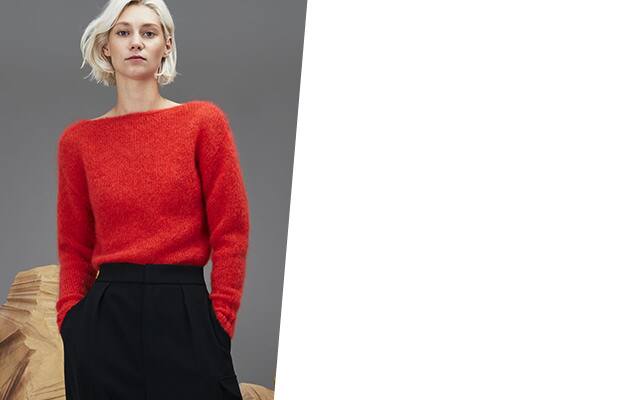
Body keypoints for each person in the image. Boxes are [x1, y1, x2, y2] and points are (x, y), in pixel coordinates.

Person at [55, 1, 249, 399]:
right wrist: (71, 320)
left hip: (185, 310)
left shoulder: (202, 123)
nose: (135, 42)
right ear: (106, 46)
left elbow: (232, 230)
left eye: (148, 32)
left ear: (167, 44)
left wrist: (220, 320)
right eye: (123, 32)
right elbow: (74, 245)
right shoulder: (79, 141)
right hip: (105, 320)